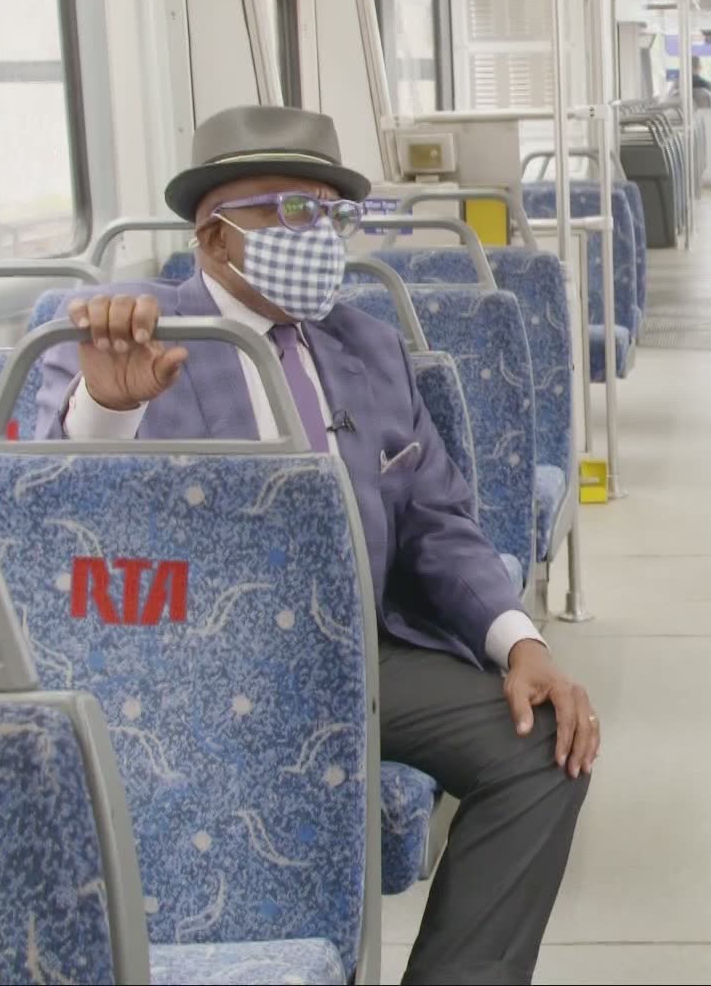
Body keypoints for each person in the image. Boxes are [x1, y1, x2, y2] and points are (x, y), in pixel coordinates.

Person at [33, 104, 597, 985]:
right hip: (188, 670)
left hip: (360, 653)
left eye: (327, 214)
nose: (315, 235)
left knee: (545, 746)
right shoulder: (133, 338)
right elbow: (59, 512)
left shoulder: (366, 346)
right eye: (285, 214)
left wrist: (521, 641)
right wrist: (112, 407)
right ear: (212, 235)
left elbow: (438, 525)